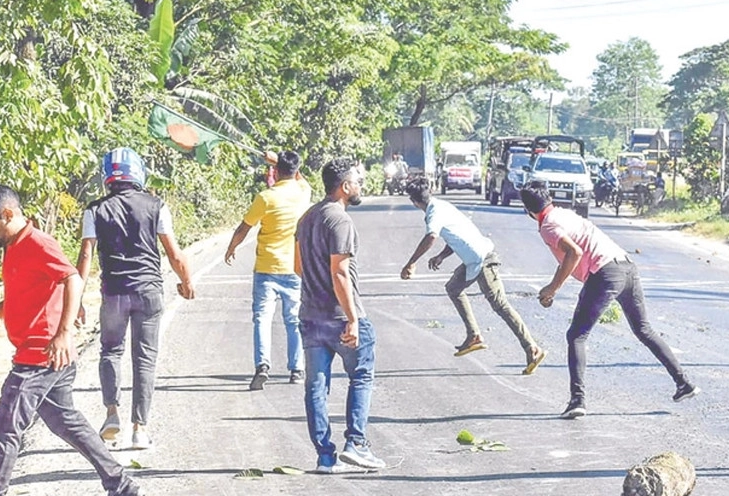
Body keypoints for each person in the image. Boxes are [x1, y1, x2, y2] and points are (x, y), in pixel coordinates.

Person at [0, 185, 143, 496]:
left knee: (6, 424)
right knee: (65, 422)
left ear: (8, 214)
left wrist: (64, 332)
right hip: (41, 353)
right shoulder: (14, 248)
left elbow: (73, 279)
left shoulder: (38, 243)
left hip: (42, 353)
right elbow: (19, 300)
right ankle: (121, 485)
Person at [520, 181, 700, 418]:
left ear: (528, 210)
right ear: (549, 198)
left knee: (576, 335)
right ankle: (684, 383)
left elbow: (574, 252)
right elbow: (569, 257)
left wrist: (553, 288)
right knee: (643, 329)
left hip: (604, 273)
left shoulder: (548, 226)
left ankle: (577, 400)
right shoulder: (564, 214)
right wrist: (553, 287)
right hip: (626, 267)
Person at [76, 148, 195, 450]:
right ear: (138, 173)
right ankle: (140, 429)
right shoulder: (156, 205)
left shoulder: (94, 210)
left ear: (107, 176)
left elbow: (86, 255)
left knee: (110, 351)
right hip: (148, 292)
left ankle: (111, 413)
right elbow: (174, 253)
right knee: (144, 359)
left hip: (114, 293)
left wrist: (76, 299)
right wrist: (186, 282)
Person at [400, 177, 547, 373]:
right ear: (431, 191)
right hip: (474, 260)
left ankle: (532, 348)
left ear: (413, 201)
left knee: (500, 305)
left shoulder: (433, 212)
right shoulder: (442, 206)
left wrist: (411, 262)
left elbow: (431, 236)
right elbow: (456, 237)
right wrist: (441, 256)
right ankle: (474, 335)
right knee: (453, 288)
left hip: (483, 258)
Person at [294, 158, 384, 472]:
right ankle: (356, 444)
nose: (360, 186)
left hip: (310, 315)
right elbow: (340, 273)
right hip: (340, 316)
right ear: (345, 186)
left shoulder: (307, 218)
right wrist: (353, 319)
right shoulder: (340, 221)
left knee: (316, 387)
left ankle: (325, 457)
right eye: (357, 181)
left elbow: (297, 267)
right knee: (361, 376)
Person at [225, 150, 312, 390]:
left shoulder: (265, 197)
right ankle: (297, 369)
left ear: (275, 171)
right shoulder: (303, 192)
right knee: (293, 320)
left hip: (266, 267)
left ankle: (262, 366)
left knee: (262, 319)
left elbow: (244, 227)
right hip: (294, 267)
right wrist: (277, 161)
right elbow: (301, 178)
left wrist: (231, 248)